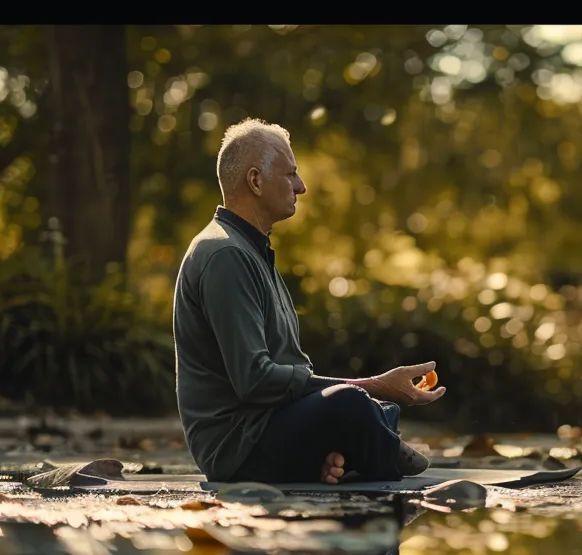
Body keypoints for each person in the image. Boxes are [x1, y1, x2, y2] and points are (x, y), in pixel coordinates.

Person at [173, 118, 444, 485]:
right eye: (291, 174)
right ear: (255, 181)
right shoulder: (225, 256)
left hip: (270, 426)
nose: (301, 187)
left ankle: (341, 458)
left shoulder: (250, 251)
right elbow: (254, 381)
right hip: (239, 448)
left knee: (372, 409)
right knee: (351, 405)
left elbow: (286, 371)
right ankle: (369, 455)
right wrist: (373, 383)